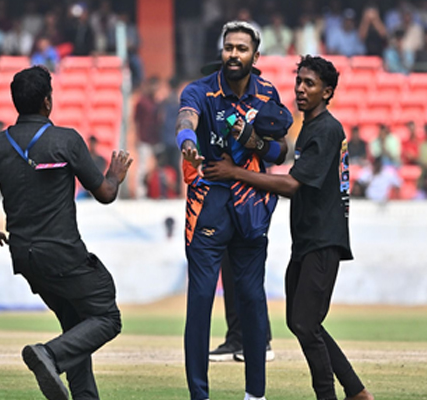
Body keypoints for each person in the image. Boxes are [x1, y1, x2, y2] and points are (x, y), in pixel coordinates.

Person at [0, 65, 132, 400]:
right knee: (107, 317)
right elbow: (106, 194)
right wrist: (115, 174)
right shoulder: (66, 140)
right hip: (63, 254)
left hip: (25, 257)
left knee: (75, 324)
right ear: (47, 102)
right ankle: (48, 355)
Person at [203, 55, 374, 400]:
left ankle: (329, 395)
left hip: (323, 238)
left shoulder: (326, 129)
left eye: (310, 84)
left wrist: (235, 173)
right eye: (299, 81)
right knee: (300, 322)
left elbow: (293, 185)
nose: (300, 89)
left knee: (305, 323)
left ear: (327, 92)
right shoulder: (310, 127)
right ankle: (356, 392)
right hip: (308, 239)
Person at [177, 20, 292, 400]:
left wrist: (253, 141)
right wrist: (187, 143)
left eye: (242, 49)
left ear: (255, 56)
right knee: (200, 301)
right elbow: (186, 119)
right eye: (229, 47)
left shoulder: (267, 93)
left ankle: (255, 395)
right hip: (207, 206)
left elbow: (281, 151)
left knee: (253, 299)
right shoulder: (200, 90)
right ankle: (199, 395)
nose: (233, 54)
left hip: (251, 207)